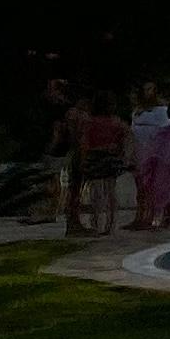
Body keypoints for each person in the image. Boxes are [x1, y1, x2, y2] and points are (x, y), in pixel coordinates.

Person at [127, 81, 170, 231]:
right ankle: (148, 216)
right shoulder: (138, 112)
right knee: (146, 185)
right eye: (145, 89)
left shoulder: (165, 110)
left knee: (164, 184)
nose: (148, 93)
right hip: (143, 153)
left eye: (150, 89)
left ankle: (163, 215)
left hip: (163, 153)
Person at [77, 96, 128, 237]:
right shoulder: (116, 122)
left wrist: (83, 159)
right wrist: (121, 153)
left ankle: (96, 222)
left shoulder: (90, 122)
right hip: (110, 156)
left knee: (97, 192)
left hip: (95, 155)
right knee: (111, 191)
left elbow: (84, 143)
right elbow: (124, 137)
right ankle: (111, 224)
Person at [46, 80, 87, 235]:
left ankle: (73, 222)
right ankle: (73, 223)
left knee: (74, 188)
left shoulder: (67, 112)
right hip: (75, 152)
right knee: (74, 188)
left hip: (71, 151)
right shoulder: (73, 114)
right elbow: (76, 136)